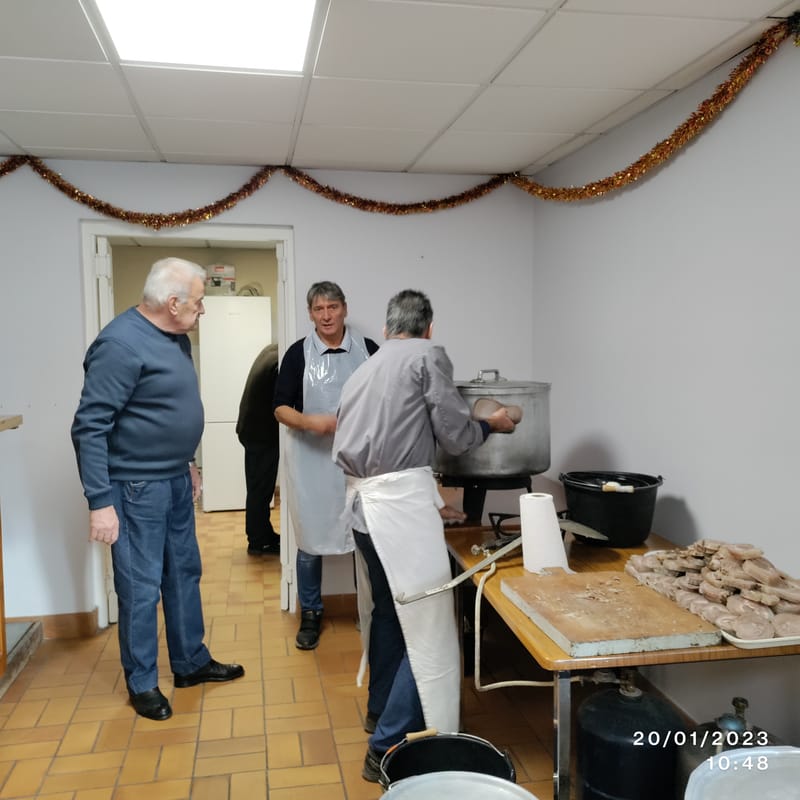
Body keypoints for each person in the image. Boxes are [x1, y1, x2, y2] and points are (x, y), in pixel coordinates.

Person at [331, 289, 516, 782]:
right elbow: (455, 435)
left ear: (391, 326)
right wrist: (493, 424)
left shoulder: (366, 366)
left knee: (392, 614)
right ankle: (386, 743)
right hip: (397, 509)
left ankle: (379, 710)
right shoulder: (428, 354)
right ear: (427, 327)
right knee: (432, 623)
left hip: (364, 509)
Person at [71, 257, 244, 722]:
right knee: (141, 588)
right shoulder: (119, 345)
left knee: (184, 573)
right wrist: (100, 503)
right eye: (199, 300)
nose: (203, 309)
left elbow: (166, 409)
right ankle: (143, 682)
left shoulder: (176, 337)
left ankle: (190, 663)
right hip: (134, 488)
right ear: (173, 303)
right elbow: (89, 427)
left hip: (172, 479)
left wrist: (186, 461)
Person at [273, 281, 379, 650]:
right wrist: (310, 422)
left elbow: (387, 397)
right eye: (319, 309)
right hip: (312, 461)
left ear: (344, 309)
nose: (327, 315)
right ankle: (312, 614)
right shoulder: (296, 354)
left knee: (365, 537)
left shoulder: (368, 351)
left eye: (332, 307)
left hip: (358, 463)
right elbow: (280, 406)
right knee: (311, 540)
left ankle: (369, 610)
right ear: (310, 314)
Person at [237, 342, 281, 556]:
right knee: (260, 490)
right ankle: (257, 540)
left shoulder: (271, 351)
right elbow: (279, 403)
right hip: (261, 433)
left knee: (258, 488)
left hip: (252, 428)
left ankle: (261, 534)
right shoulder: (278, 361)